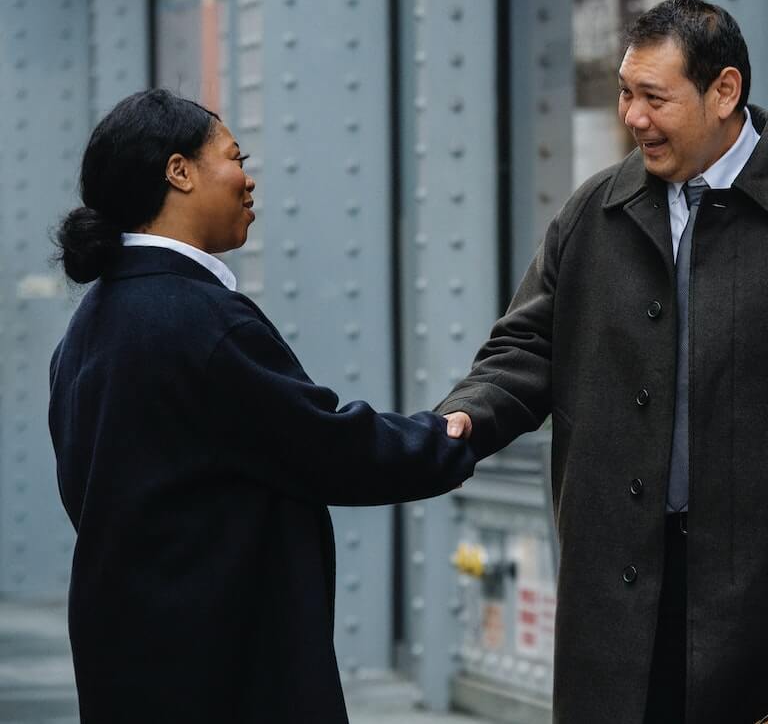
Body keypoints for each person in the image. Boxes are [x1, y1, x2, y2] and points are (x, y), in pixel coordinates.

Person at [438, 0, 768, 722]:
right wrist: (465, 415)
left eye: (653, 98)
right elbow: (526, 345)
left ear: (725, 92)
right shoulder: (593, 211)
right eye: (625, 94)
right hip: (618, 594)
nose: (632, 117)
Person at [48, 89, 485, 724]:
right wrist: (449, 438)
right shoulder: (197, 319)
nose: (249, 179)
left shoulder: (90, 324)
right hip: (221, 661)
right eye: (234, 157)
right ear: (180, 171)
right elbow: (324, 446)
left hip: (127, 656)